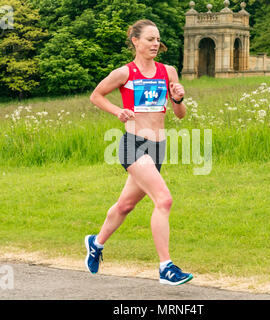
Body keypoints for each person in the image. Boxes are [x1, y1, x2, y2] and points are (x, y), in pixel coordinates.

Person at [85, 19, 193, 286]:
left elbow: (179, 115)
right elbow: (96, 96)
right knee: (164, 200)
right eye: (150, 39)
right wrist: (117, 111)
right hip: (132, 145)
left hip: (158, 148)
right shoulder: (124, 73)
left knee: (126, 205)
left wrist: (178, 99)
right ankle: (166, 267)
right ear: (135, 41)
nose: (155, 44)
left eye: (157, 40)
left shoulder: (168, 71)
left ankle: (95, 243)